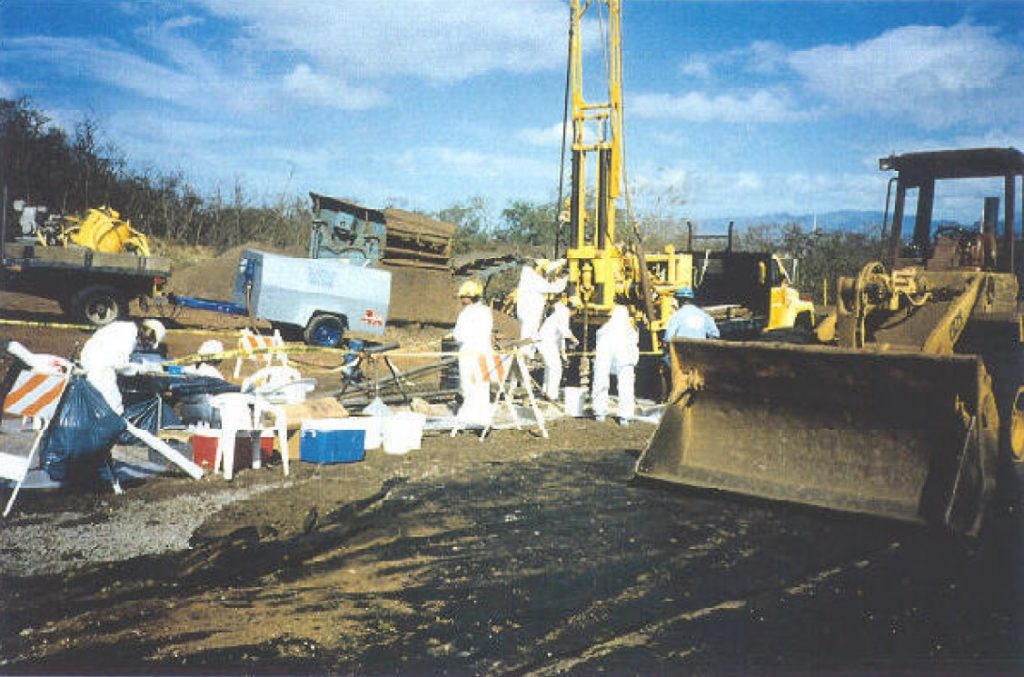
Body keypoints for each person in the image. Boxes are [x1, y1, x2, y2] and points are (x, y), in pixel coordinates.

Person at [79, 319, 166, 414]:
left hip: (95, 359)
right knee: (114, 405)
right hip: (99, 366)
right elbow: (120, 365)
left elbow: (121, 355)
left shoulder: (128, 329)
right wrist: (139, 369)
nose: (146, 344)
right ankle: (116, 426)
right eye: (149, 341)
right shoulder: (129, 336)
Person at [452, 279, 495, 427]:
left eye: (462, 296)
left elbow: (458, 336)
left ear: (468, 296)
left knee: (468, 387)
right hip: (484, 353)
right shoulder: (486, 311)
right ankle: (483, 421)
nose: (461, 299)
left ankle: (468, 419)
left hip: (469, 354)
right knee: (483, 387)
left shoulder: (465, 314)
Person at [591, 303, 639, 426]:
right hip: (624, 359)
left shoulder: (604, 330)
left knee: (600, 381)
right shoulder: (629, 331)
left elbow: (598, 341)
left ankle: (599, 412)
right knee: (625, 385)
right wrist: (633, 361)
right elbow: (633, 347)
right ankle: (625, 416)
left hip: (603, 357)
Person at [516, 258, 568, 357]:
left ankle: (527, 356)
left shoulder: (528, 276)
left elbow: (549, 267)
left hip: (528, 311)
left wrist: (562, 261)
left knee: (530, 334)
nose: (544, 274)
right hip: (530, 312)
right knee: (529, 335)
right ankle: (525, 356)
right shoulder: (532, 278)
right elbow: (554, 288)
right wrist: (566, 278)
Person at [535, 296, 580, 401]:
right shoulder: (563, 313)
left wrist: (563, 354)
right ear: (575, 309)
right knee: (556, 369)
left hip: (546, 342)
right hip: (547, 342)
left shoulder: (560, 313)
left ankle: (545, 392)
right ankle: (552, 395)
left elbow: (561, 338)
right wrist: (575, 339)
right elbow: (564, 331)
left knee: (550, 368)